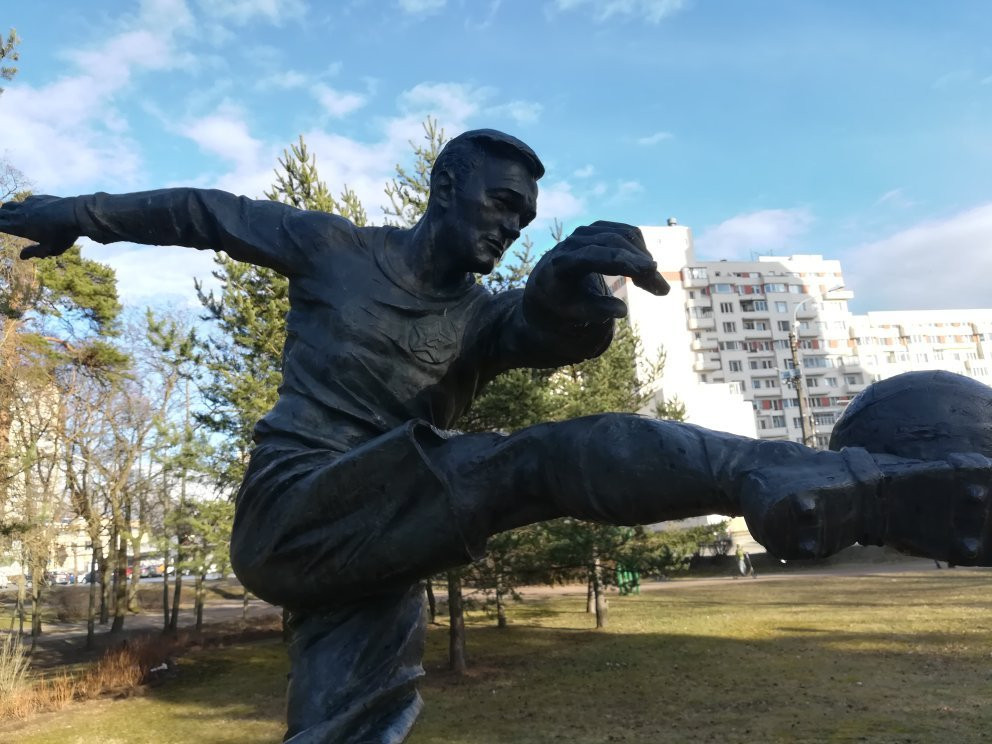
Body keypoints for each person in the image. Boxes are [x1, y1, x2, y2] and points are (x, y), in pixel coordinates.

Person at [3, 129, 991, 743]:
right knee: (538, 462)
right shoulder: (332, 250)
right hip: (297, 513)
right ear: (443, 190)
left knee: (351, 726)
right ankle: (839, 482)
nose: (508, 228)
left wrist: (569, 288)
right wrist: (71, 213)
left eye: (524, 219)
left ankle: (846, 480)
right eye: (497, 206)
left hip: (376, 547)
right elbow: (199, 212)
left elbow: (544, 331)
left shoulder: (481, 318)